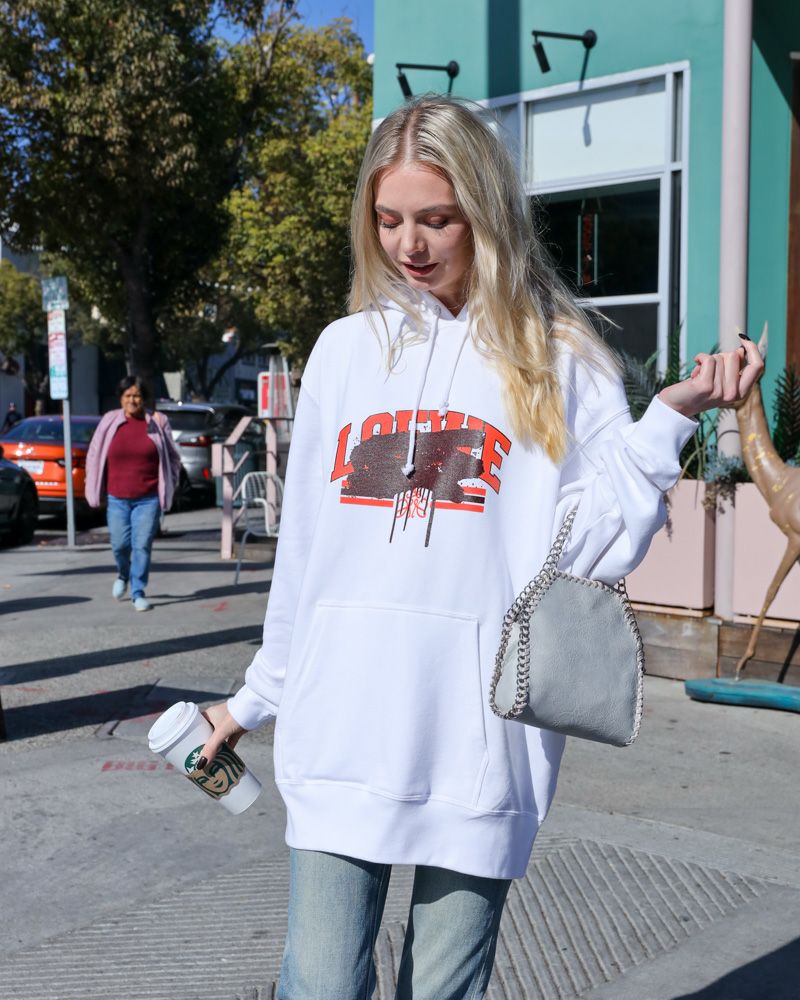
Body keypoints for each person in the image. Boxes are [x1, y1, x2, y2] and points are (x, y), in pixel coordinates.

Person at [196, 97, 763, 999]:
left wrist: (667, 418)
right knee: (319, 984)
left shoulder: (560, 358)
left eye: (436, 219)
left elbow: (597, 549)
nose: (409, 245)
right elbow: (305, 554)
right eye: (388, 220)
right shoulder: (344, 352)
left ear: (487, 214)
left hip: (481, 742)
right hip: (341, 733)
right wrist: (252, 701)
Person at [85, 376, 181, 612]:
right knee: (119, 544)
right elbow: (94, 453)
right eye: (127, 395)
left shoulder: (157, 421)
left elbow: (173, 456)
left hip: (148, 498)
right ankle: (123, 573)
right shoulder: (110, 420)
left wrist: (171, 482)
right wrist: (93, 484)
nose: (132, 400)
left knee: (142, 545)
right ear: (120, 398)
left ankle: (138, 591)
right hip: (117, 497)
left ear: (144, 399)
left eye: (137, 395)